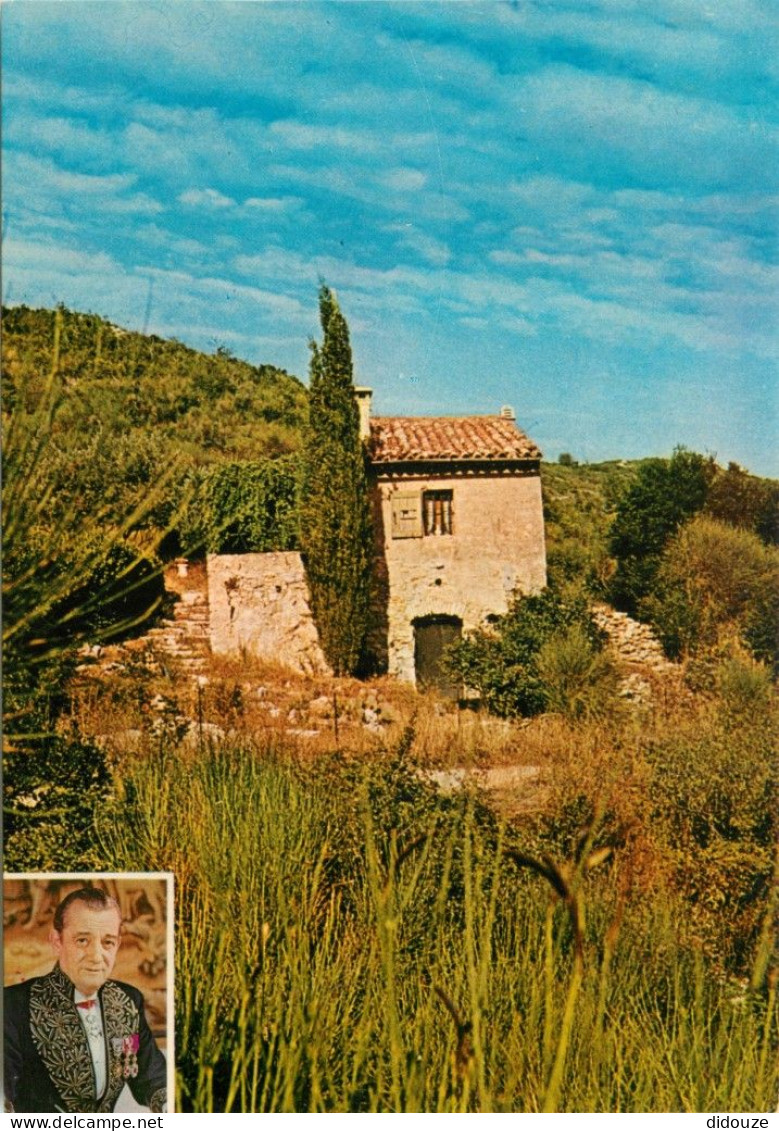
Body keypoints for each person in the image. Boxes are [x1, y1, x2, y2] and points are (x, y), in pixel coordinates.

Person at [4, 886, 167, 1114]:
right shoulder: (12, 1005)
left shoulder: (128, 1000)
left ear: (118, 944)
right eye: (82, 941)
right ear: (57, 941)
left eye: (107, 942)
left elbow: (153, 1078)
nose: (96, 956)